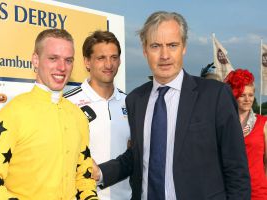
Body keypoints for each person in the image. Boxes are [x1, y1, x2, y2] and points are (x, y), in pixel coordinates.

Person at [95, 11, 251, 199]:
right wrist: (100, 172)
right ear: (144, 50)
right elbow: (139, 155)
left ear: (183, 47)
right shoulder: (136, 100)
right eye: (155, 46)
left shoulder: (215, 95)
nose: (165, 55)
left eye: (172, 45)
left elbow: (236, 170)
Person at [0, 29, 98, 200]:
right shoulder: (12, 113)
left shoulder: (78, 116)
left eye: (68, 60)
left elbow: (84, 180)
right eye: (53, 58)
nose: (62, 67)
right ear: (36, 60)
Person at [64, 30, 131, 200]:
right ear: (87, 62)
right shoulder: (67, 104)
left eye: (114, 57)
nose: (109, 64)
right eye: (101, 58)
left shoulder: (131, 103)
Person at [224, 69, 267, 200]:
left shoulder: (263, 123)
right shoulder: (223, 124)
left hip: (258, 193)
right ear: (234, 95)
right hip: (229, 191)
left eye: (251, 95)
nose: (248, 99)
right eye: (242, 95)